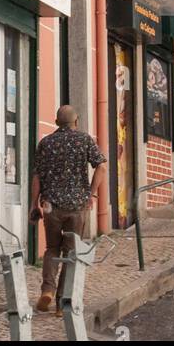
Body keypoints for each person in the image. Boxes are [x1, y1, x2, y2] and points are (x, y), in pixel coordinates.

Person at [30, 105, 107, 314]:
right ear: (76, 121)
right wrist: (91, 193)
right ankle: (61, 303)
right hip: (77, 206)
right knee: (71, 253)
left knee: (51, 249)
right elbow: (101, 166)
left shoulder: (46, 143)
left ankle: (47, 289)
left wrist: (33, 205)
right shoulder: (84, 140)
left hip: (50, 206)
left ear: (56, 123)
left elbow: (37, 176)